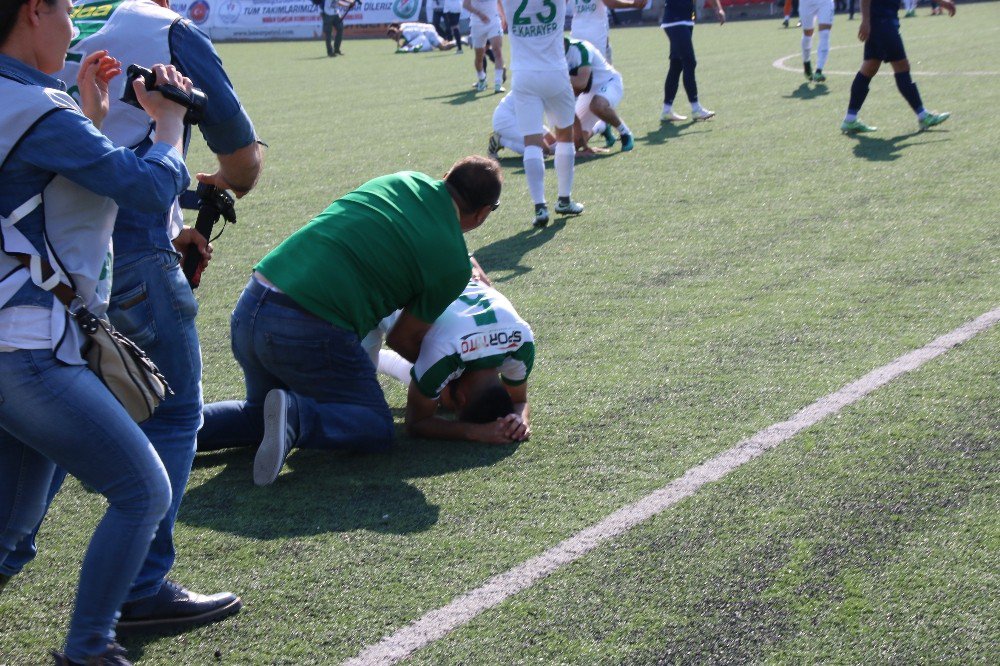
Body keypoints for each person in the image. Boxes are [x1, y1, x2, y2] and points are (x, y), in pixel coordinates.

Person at [0, 0, 264, 634]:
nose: (73, 25)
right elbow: (153, 185)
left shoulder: (27, 96)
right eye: (64, 9)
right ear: (34, 11)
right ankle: (114, 618)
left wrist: (88, 113)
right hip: (35, 333)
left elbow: (45, 187)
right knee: (157, 452)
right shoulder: (43, 101)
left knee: (12, 524)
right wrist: (169, 124)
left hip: (32, 319)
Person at [196, 156, 502, 486]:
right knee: (375, 425)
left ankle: (162, 430)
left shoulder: (402, 178)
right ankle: (297, 417)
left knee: (259, 415)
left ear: (445, 177)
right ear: (483, 213)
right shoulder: (453, 264)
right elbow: (403, 339)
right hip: (307, 324)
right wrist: (447, 376)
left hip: (253, 302)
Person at [368, 276, 534, 445]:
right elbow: (415, 424)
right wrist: (475, 432)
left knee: (431, 380)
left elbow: (519, 401)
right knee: (357, 406)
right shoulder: (444, 354)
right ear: (461, 398)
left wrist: (521, 423)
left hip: (431, 270)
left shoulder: (523, 340)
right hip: (370, 289)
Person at [500, 0, 584, 228]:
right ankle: (564, 199)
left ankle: (539, 206)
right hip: (554, 72)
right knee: (565, 137)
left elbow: (504, 21)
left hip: (524, 75)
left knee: (531, 143)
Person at [840, 0, 955, 134]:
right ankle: (923, 116)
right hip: (882, 24)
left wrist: (942, 3)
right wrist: (865, 21)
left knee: (869, 68)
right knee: (902, 66)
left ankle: (850, 119)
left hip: (883, 23)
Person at [659, 0, 725, 123]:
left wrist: (718, 8)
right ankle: (696, 109)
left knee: (676, 64)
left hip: (685, 20)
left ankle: (666, 111)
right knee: (689, 61)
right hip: (675, 21)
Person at [565, 36, 633, 152]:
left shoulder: (580, 48)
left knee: (597, 105)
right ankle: (601, 127)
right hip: (585, 93)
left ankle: (625, 132)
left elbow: (581, 83)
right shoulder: (548, 55)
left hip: (608, 82)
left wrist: (554, 78)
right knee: (574, 143)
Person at [570, 0, 645, 63]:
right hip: (596, 32)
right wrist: (633, 4)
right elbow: (610, 2)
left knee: (578, 69)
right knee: (599, 72)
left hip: (576, 31)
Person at [487, 91, 554, 159]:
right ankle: (500, 140)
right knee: (541, 152)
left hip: (521, 118)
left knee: (555, 147)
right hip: (504, 120)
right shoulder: (530, 89)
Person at [463, 0, 506, 93]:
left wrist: (503, 16)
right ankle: (482, 79)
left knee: (497, 51)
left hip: (494, 21)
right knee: (479, 56)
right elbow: (465, 5)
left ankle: (498, 84)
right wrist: (479, 14)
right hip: (477, 23)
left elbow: (499, 1)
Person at [799, 0, 834, 82]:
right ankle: (806, 64)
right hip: (806, 3)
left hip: (825, 2)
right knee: (807, 35)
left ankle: (819, 70)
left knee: (825, 34)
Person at [387, 22, 456, 52]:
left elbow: (409, 43)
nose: (393, 39)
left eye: (392, 37)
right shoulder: (404, 26)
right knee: (444, 45)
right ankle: (457, 42)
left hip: (428, 33)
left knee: (443, 48)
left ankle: (460, 41)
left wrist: (402, 47)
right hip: (428, 29)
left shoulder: (405, 31)